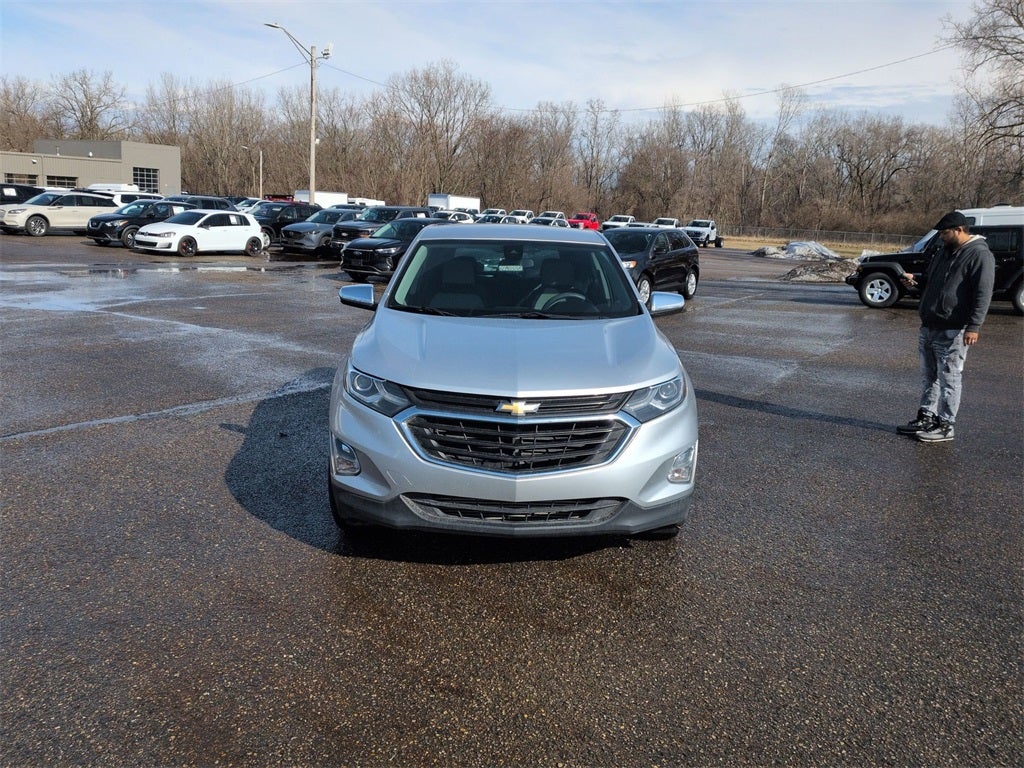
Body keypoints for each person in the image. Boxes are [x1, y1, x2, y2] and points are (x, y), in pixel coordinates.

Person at [896, 210, 995, 442]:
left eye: (944, 232)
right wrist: (915, 280)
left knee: (950, 377)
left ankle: (946, 425)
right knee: (929, 375)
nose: (941, 236)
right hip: (930, 324)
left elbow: (983, 293)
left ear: (959, 230)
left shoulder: (979, 255)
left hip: (954, 328)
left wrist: (974, 326)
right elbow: (931, 280)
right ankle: (926, 417)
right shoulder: (944, 251)